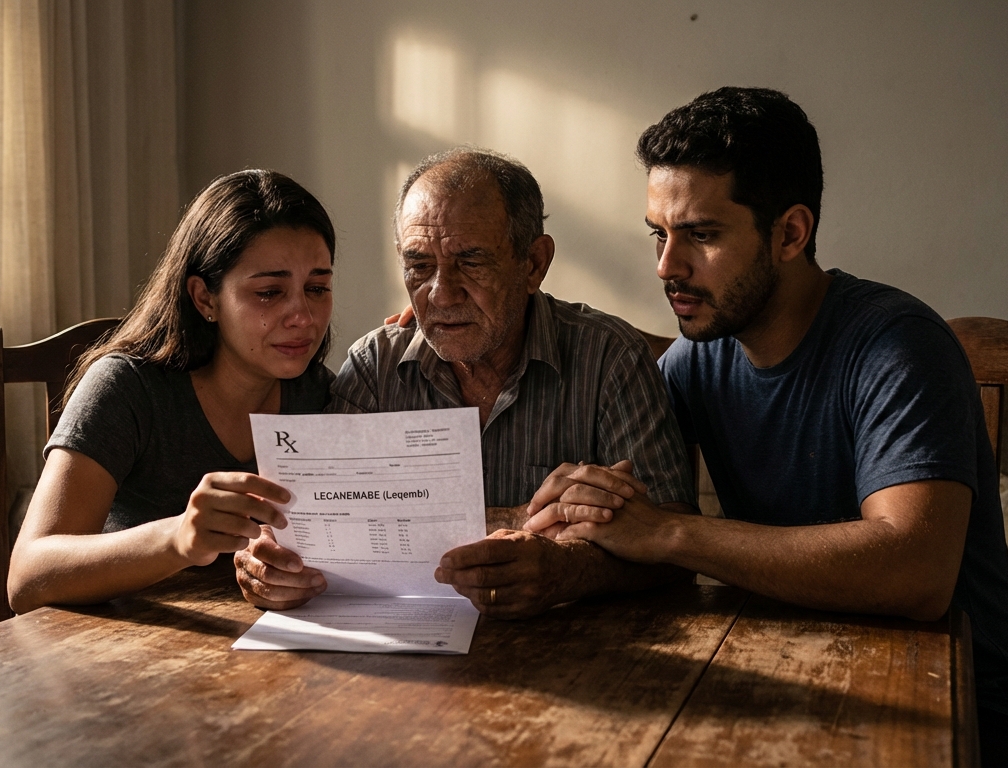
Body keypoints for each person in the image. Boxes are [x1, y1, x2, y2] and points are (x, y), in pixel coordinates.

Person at [527, 87, 1008, 764]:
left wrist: (671, 532)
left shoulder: (898, 345)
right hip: (798, 682)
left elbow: (916, 573)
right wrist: (465, 334)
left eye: (702, 234)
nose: (667, 266)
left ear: (790, 233)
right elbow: (609, 483)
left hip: (969, 719)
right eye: (658, 234)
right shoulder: (695, 359)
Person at [234, 148, 697, 618]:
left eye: (470, 262)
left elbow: (675, 547)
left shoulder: (607, 357)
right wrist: (272, 563)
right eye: (419, 266)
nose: (440, 293)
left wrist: (566, 570)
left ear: (534, 263)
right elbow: (319, 526)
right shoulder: (377, 365)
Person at [7, 170, 336, 614]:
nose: (303, 316)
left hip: (251, 649)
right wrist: (178, 538)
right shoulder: (126, 389)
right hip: (116, 649)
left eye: (317, 288)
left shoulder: (321, 397)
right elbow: (26, 579)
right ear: (205, 299)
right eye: (269, 291)